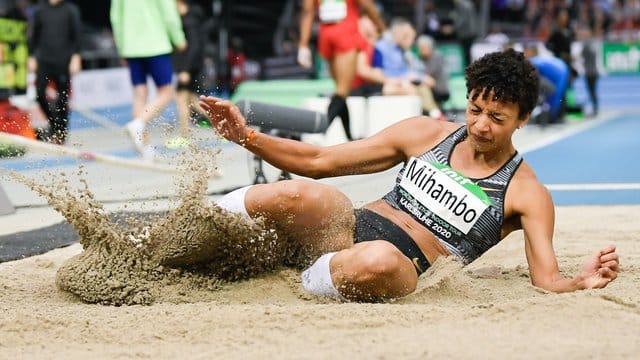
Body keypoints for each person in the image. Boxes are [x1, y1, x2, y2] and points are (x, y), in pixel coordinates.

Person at [194, 48, 619, 302]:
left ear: (522, 119)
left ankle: (295, 282)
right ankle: (185, 229)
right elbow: (319, 160)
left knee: (376, 260)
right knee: (303, 193)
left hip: (401, 268)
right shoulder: (425, 133)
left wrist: (579, 282)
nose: (481, 125)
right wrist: (245, 136)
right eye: (475, 109)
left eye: (497, 117)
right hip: (346, 232)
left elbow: (546, 280)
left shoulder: (527, 193)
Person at [298, 0, 385, 141]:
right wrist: (380, 26)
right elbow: (367, 4)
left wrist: (303, 44)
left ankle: (349, 138)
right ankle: (319, 133)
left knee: (341, 91)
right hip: (346, 32)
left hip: (326, 34)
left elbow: (308, 11)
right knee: (342, 91)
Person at [110, 0, 186, 161]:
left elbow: (116, 18)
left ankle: (146, 148)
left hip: (131, 47)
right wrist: (178, 38)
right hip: (155, 44)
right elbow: (169, 15)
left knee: (139, 95)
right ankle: (138, 123)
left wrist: (122, 47)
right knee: (166, 92)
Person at [27, 0, 82, 145]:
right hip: (44, 60)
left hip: (63, 60)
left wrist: (76, 56)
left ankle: (61, 133)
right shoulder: (40, 9)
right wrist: (32, 56)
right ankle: (55, 127)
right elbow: (33, 35)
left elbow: (76, 34)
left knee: (62, 98)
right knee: (39, 94)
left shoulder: (70, 9)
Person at [375, 18, 445, 119]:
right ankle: (434, 116)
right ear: (399, 34)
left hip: (400, 81)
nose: (411, 42)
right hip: (387, 84)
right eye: (408, 37)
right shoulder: (383, 47)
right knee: (414, 90)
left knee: (423, 88)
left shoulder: (399, 50)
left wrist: (419, 77)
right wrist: (414, 77)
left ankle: (435, 115)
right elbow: (385, 72)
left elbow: (405, 70)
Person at [167, 0, 206, 149]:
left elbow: (195, 46)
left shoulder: (190, 19)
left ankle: (184, 136)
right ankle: (224, 127)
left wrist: (186, 69)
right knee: (194, 102)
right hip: (188, 66)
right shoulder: (186, 16)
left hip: (189, 67)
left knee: (182, 100)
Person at [415, 34, 450, 110]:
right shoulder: (420, 59)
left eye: (424, 47)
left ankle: (434, 112)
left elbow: (430, 73)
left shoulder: (437, 57)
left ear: (430, 47)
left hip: (440, 88)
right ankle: (434, 112)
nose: (422, 50)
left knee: (422, 88)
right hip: (430, 87)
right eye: (420, 48)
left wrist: (421, 77)